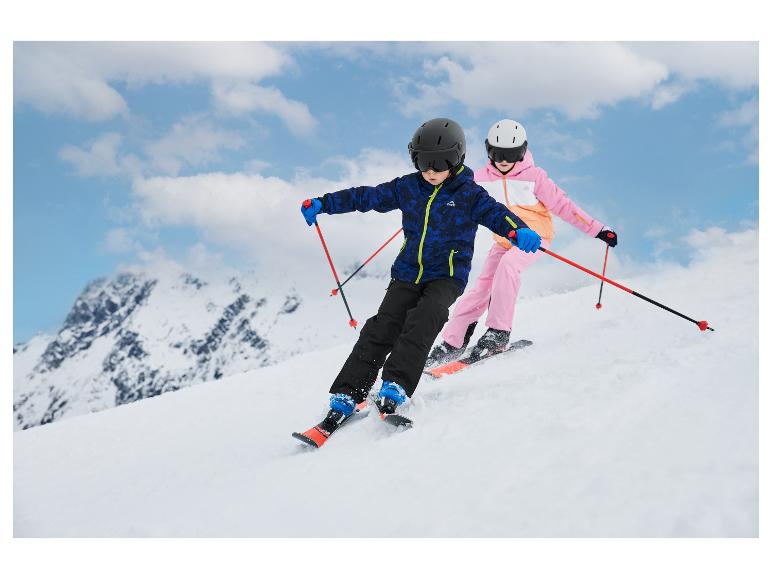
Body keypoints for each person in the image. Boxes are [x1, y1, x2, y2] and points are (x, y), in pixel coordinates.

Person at [299, 118, 541, 435]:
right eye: (424, 162)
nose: (431, 170)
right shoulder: (408, 187)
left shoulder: (468, 194)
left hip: (447, 275)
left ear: (457, 161)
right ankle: (348, 393)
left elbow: (496, 213)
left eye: (441, 163)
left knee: (426, 317)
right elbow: (366, 197)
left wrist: (518, 230)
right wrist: (323, 204)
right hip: (407, 273)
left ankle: (395, 386)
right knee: (381, 327)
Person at [427, 119, 618, 366]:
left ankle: (498, 333)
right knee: (482, 287)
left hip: (534, 238)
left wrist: (598, 230)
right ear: (488, 150)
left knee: (508, 267)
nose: (504, 160)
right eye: (497, 153)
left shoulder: (534, 177)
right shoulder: (480, 178)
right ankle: (453, 341)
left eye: (512, 153)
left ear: (523, 150)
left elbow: (564, 206)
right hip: (505, 240)